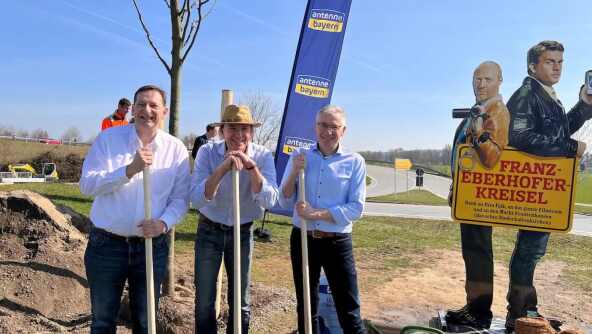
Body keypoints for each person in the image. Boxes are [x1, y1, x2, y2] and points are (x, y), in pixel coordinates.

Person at [80, 85, 190, 333]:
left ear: (164, 111)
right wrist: (129, 170)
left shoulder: (176, 150)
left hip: (152, 247)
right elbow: (87, 185)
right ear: (133, 108)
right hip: (107, 245)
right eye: (141, 104)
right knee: (103, 320)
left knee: (146, 321)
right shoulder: (109, 140)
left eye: (153, 105)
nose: (146, 110)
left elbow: (181, 199)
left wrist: (164, 223)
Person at [504, 40, 592, 330]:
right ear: (533, 66)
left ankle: (527, 310)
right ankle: (518, 313)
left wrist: (585, 104)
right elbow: (520, 137)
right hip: (532, 187)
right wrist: (570, 147)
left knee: (534, 250)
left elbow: (558, 128)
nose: (557, 67)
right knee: (528, 251)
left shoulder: (546, 94)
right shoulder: (526, 94)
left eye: (560, 62)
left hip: (545, 187)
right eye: (549, 62)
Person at [190, 104, 278, 333]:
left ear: (252, 132)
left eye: (245, 129)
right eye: (233, 128)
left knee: (241, 300)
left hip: (243, 231)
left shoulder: (263, 155)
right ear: (222, 131)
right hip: (209, 230)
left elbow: (270, 200)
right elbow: (197, 199)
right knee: (204, 300)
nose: (239, 135)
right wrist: (222, 169)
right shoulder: (207, 152)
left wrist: (252, 169)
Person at [279, 105, 367, 334]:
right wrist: (293, 172)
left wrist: (316, 214)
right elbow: (284, 199)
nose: (328, 131)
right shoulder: (300, 156)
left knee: (348, 307)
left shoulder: (355, 161)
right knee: (307, 306)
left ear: (343, 130)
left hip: (337, 242)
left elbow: (356, 208)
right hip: (303, 240)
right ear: (315, 126)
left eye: (334, 126)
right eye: (323, 125)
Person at [446, 61, 510, 329]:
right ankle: (474, 305)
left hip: (482, 199)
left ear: (499, 81)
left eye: (486, 79)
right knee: (471, 252)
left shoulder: (498, 112)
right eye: (476, 80)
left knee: (479, 252)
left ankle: (480, 311)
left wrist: (480, 132)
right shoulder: (479, 110)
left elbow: (493, 157)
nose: (480, 85)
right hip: (469, 196)